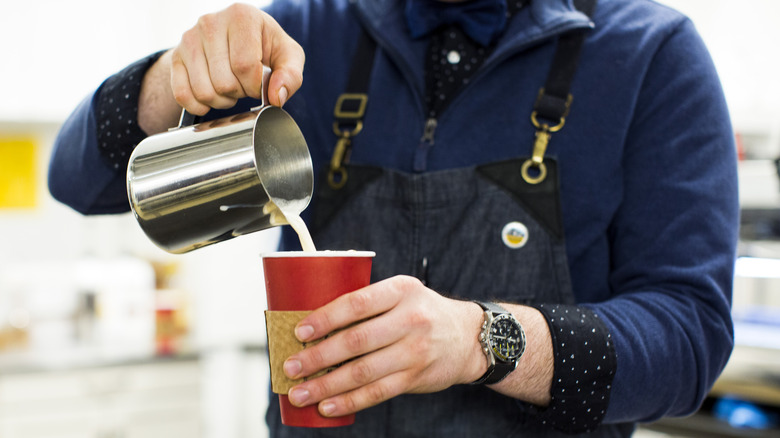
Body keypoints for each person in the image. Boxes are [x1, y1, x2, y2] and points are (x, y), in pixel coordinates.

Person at [48, 0, 739, 436]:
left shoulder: (651, 54)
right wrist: (170, 78)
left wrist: (482, 338)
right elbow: (81, 180)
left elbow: (690, 339)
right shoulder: (303, 37)